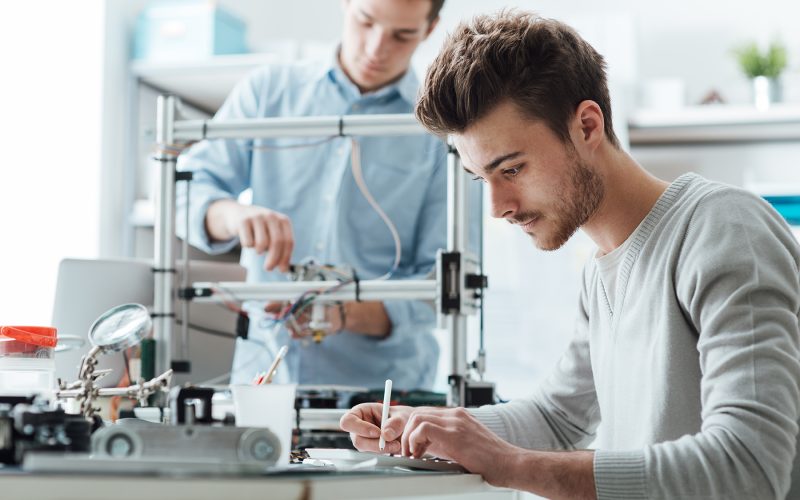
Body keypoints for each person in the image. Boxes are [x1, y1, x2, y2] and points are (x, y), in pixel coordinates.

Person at [340, 10, 800, 500]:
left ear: (586, 125)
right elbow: (558, 419)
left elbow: (748, 466)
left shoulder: (723, 229)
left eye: (512, 169)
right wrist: (431, 426)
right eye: (482, 180)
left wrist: (510, 464)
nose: (497, 208)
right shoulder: (602, 269)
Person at [176, 0, 447, 390]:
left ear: (430, 28)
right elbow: (186, 192)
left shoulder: (440, 131)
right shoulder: (268, 93)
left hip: (382, 393)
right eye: (366, 21)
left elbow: (445, 284)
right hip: (263, 376)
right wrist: (234, 215)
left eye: (402, 35)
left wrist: (346, 314)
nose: (375, 48)